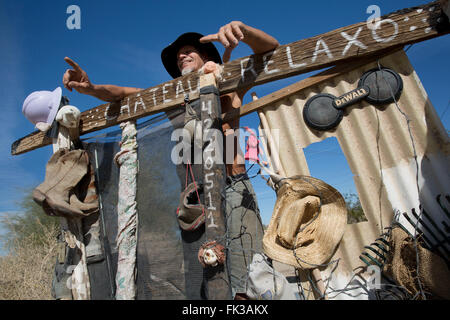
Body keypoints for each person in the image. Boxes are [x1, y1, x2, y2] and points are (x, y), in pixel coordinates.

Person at [62, 21, 279, 299]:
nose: (181, 56)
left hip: (232, 188)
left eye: (190, 51)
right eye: (179, 55)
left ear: (208, 58)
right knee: (200, 278)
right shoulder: (171, 100)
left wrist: (243, 31)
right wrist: (91, 88)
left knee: (247, 281)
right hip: (192, 201)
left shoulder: (227, 81)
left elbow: (269, 51)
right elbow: (123, 95)